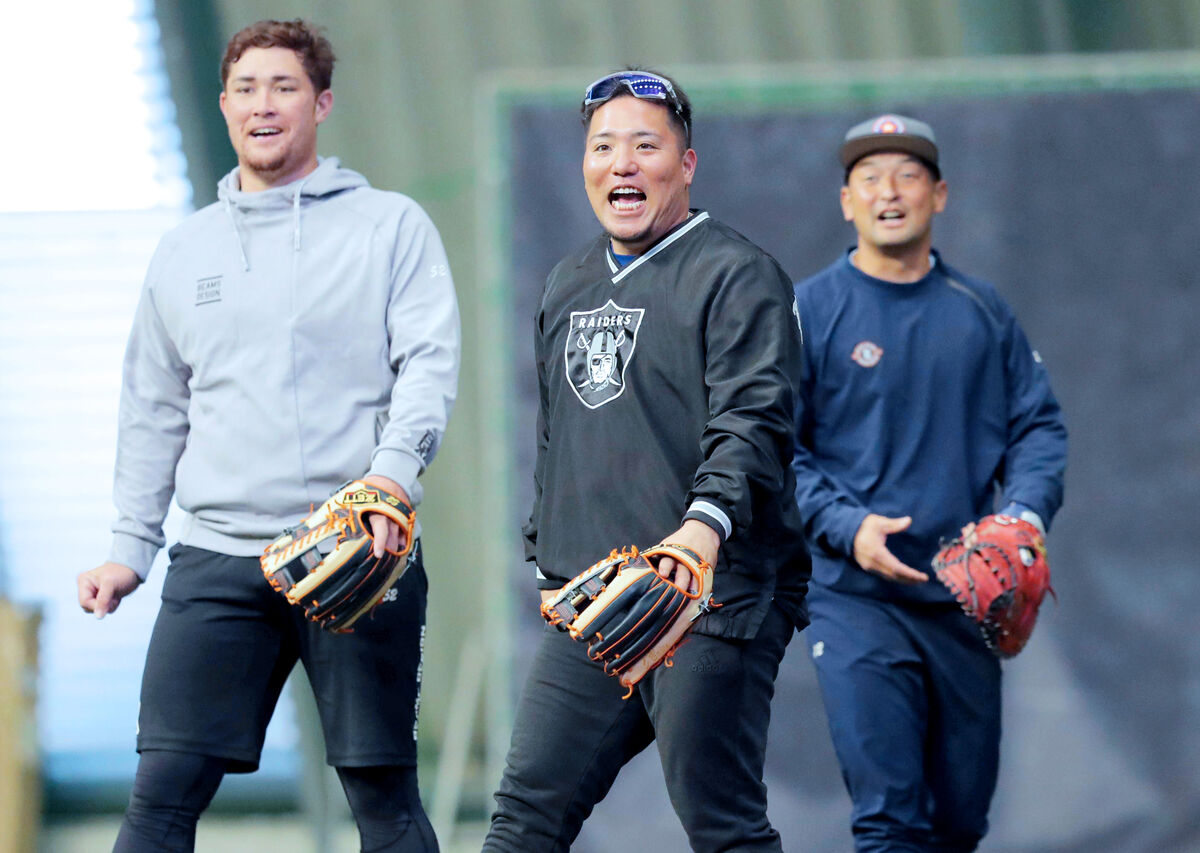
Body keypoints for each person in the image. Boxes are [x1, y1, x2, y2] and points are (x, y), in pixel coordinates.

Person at [75, 19, 458, 852]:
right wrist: (128, 546)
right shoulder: (184, 251)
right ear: (222, 106)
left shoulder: (390, 226)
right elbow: (153, 406)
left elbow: (428, 367)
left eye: (284, 87)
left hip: (353, 550)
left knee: (384, 801)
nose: (264, 104)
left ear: (320, 103)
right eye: (246, 88)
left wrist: (390, 479)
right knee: (160, 798)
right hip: (215, 554)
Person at [482, 69, 811, 853]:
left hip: (710, 588)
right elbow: (558, 435)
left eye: (645, 145)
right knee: (522, 819)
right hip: (596, 599)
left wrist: (702, 529)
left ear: (687, 164)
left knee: (720, 821)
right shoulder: (567, 282)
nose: (621, 163)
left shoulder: (738, 274)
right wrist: (548, 561)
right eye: (603, 146)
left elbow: (756, 421)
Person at [791, 113, 1067, 851]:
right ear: (845, 201)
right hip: (855, 602)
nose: (890, 192)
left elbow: (1038, 427)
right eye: (870, 178)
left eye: (908, 175)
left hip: (964, 602)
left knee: (959, 821)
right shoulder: (810, 312)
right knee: (890, 818)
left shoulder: (980, 312)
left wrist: (1025, 517)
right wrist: (849, 527)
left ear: (939, 194)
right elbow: (771, 451)